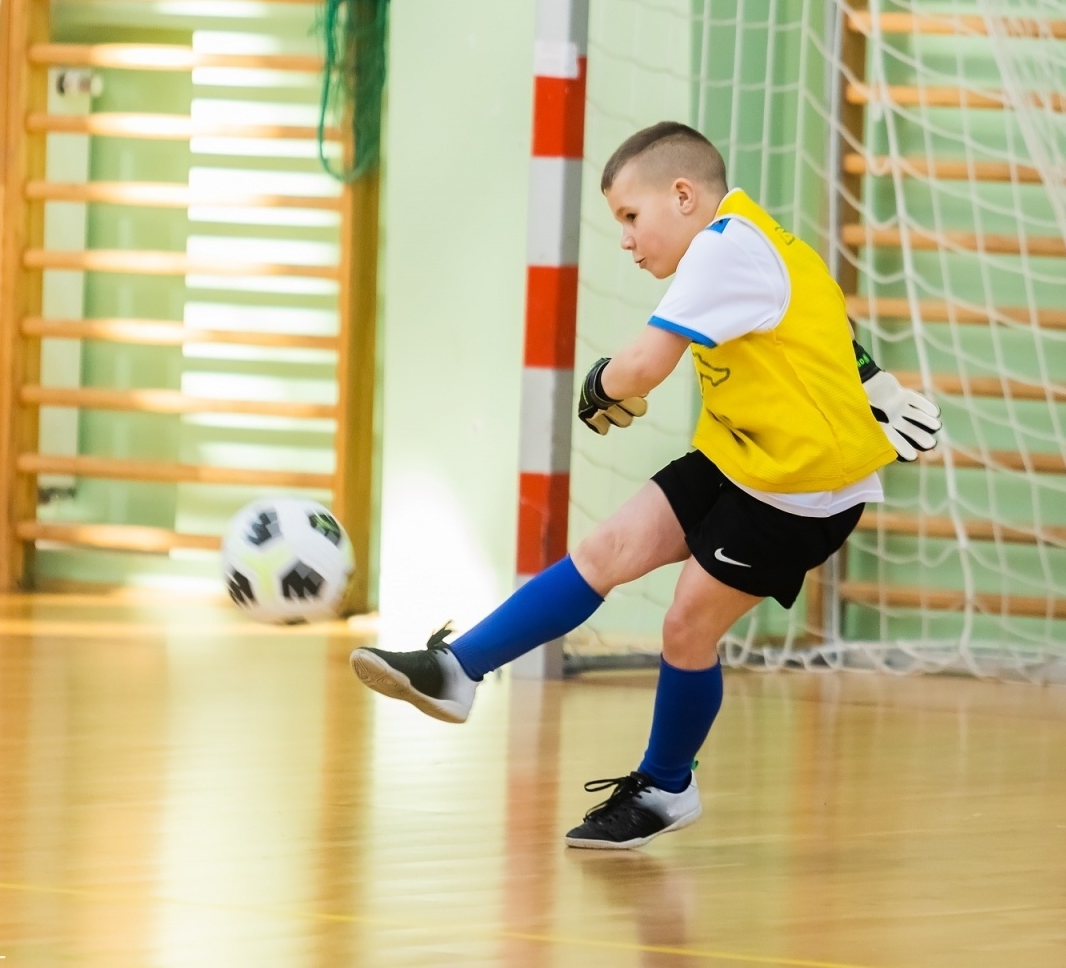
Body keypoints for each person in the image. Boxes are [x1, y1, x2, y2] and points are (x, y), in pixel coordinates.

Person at [350, 122, 942, 850]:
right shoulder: (750, 235)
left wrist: (601, 384)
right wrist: (871, 376)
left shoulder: (723, 253)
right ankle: (454, 669)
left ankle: (667, 786)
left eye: (632, 217)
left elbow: (641, 369)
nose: (626, 241)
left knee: (686, 624)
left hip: (802, 490)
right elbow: (820, 317)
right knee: (609, 547)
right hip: (740, 454)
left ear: (684, 196)